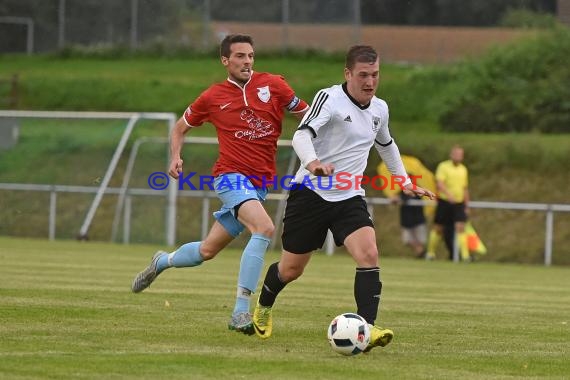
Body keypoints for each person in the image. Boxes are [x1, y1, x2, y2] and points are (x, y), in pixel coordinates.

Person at [250, 45, 436, 352]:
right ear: (347, 74)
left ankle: (368, 329)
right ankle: (265, 304)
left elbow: (386, 145)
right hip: (310, 194)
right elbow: (301, 135)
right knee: (291, 269)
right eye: (363, 75)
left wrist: (404, 181)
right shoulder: (329, 99)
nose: (370, 81)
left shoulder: (380, 109)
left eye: (375, 75)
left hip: (349, 196)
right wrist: (313, 163)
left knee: (369, 255)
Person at [130, 34, 309, 335]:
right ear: (225, 61)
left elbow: (307, 116)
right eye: (240, 56)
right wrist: (175, 157)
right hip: (229, 177)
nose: (247, 62)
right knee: (264, 229)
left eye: (251, 55)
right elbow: (179, 128)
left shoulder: (274, 85)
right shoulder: (212, 97)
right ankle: (240, 312)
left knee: (206, 251)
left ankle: (162, 261)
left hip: (259, 185)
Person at [425, 145, 470, 261]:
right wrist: (449, 195)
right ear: (451, 155)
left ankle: (465, 256)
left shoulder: (463, 169)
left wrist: (466, 204)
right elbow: (439, 183)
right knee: (438, 228)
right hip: (445, 202)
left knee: (460, 227)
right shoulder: (443, 166)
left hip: (459, 203)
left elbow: (465, 188)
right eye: (456, 154)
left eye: (460, 155)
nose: (458, 157)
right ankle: (430, 253)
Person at [389, 187, 428, 259]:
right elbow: (395, 199)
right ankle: (421, 253)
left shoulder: (418, 189)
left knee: (420, 240)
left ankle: (421, 254)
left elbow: (405, 198)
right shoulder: (402, 190)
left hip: (418, 220)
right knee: (407, 240)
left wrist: (399, 198)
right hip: (406, 221)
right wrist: (394, 198)